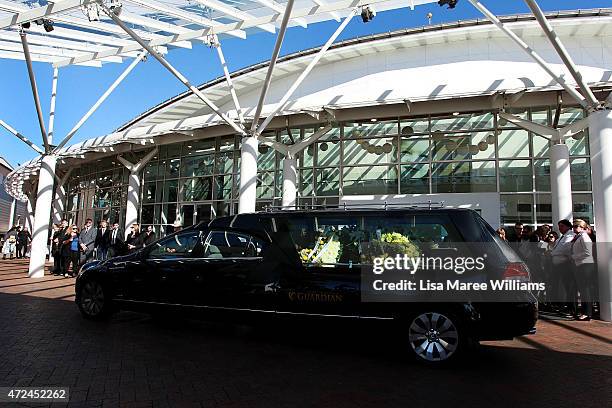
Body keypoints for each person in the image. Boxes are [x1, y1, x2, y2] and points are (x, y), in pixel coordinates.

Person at [571, 219, 596, 321]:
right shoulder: (579, 237)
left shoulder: (584, 236)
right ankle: (585, 311)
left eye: (576, 226)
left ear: (582, 227)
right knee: (583, 290)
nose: (574, 228)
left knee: (586, 290)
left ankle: (588, 313)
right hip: (581, 264)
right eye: (573, 226)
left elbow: (587, 252)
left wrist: (574, 256)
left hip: (585, 265)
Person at [550, 219, 576, 315]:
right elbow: (555, 248)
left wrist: (553, 253)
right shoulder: (562, 237)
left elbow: (564, 249)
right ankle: (565, 306)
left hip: (565, 265)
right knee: (564, 286)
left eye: (562, 226)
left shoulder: (570, 236)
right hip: (558, 265)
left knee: (569, 287)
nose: (560, 228)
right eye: (559, 226)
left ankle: (571, 308)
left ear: (568, 226)